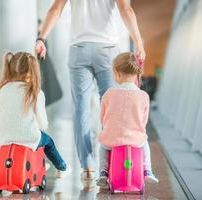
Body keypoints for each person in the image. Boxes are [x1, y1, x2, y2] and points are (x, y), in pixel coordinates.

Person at [35, 0, 145, 179]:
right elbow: (126, 9)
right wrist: (138, 42)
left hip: (79, 49)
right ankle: (111, 163)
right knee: (113, 108)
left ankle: (87, 167)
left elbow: (56, 9)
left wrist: (41, 38)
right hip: (108, 50)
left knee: (81, 110)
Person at [0, 52, 71, 178]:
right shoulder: (35, 92)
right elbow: (43, 124)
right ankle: (62, 168)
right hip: (28, 138)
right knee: (47, 141)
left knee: (36, 135)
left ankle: (38, 164)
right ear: (33, 72)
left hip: (3, 139)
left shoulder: (1, 90)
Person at [96, 52, 159, 189]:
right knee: (145, 142)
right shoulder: (144, 96)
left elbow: (103, 118)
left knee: (103, 146)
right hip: (135, 140)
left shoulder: (108, 94)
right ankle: (147, 170)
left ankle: (103, 171)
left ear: (117, 73)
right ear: (136, 73)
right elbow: (143, 121)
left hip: (112, 139)